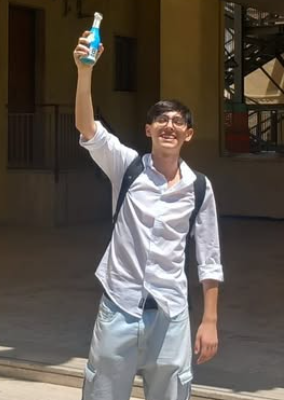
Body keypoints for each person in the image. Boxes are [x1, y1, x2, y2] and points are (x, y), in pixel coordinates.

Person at [73, 31, 224, 400]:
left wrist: (209, 321)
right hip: (119, 308)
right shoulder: (127, 167)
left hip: (172, 317)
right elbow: (87, 128)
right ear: (148, 130)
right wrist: (84, 71)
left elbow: (209, 259)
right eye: (161, 119)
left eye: (177, 121)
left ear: (188, 134)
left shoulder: (199, 187)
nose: (169, 125)